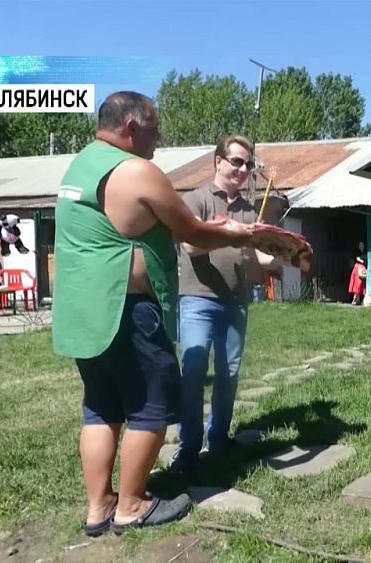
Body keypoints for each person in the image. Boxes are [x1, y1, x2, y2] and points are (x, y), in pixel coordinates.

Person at [52, 92, 264, 536]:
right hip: (126, 310)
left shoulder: (80, 166)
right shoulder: (135, 170)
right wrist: (237, 234)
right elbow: (190, 230)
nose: (160, 138)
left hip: (84, 312)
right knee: (150, 407)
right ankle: (131, 504)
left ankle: (98, 508)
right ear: (132, 127)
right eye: (155, 128)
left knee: (100, 408)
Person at [170, 134, 280, 473]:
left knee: (229, 374)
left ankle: (218, 438)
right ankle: (187, 449)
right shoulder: (197, 200)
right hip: (197, 298)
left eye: (248, 164)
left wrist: (287, 252)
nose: (243, 169)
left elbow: (259, 258)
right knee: (194, 371)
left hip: (236, 301)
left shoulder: (250, 211)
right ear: (218, 162)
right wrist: (226, 233)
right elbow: (190, 247)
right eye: (237, 162)